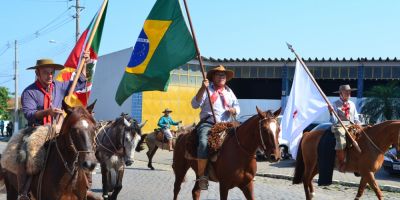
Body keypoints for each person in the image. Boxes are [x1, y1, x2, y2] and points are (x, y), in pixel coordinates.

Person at [17, 55, 97, 200]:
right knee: (26, 155)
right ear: (37, 73)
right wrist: (47, 112)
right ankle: (24, 191)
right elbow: (29, 113)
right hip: (38, 130)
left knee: (82, 148)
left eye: (51, 72)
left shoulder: (59, 86)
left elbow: (80, 81)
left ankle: (85, 187)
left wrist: (84, 64)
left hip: (59, 129)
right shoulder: (29, 92)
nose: (49, 75)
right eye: (45, 72)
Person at [191, 65, 240, 190]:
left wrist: (234, 110)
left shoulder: (229, 92)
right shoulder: (207, 90)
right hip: (209, 124)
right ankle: (202, 175)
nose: (221, 77)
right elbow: (195, 104)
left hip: (226, 124)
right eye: (218, 75)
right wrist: (203, 88)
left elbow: (237, 107)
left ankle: (243, 169)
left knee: (244, 139)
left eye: (223, 75)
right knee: (203, 143)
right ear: (213, 77)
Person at [328, 84, 360, 172]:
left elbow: (356, 117)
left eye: (349, 92)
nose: (348, 94)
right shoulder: (334, 104)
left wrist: (358, 124)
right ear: (341, 93)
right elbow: (333, 120)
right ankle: (341, 163)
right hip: (339, 125)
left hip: (351, 125)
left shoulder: (352, 104)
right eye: (346, 92)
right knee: (341, 140)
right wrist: (331, 112)